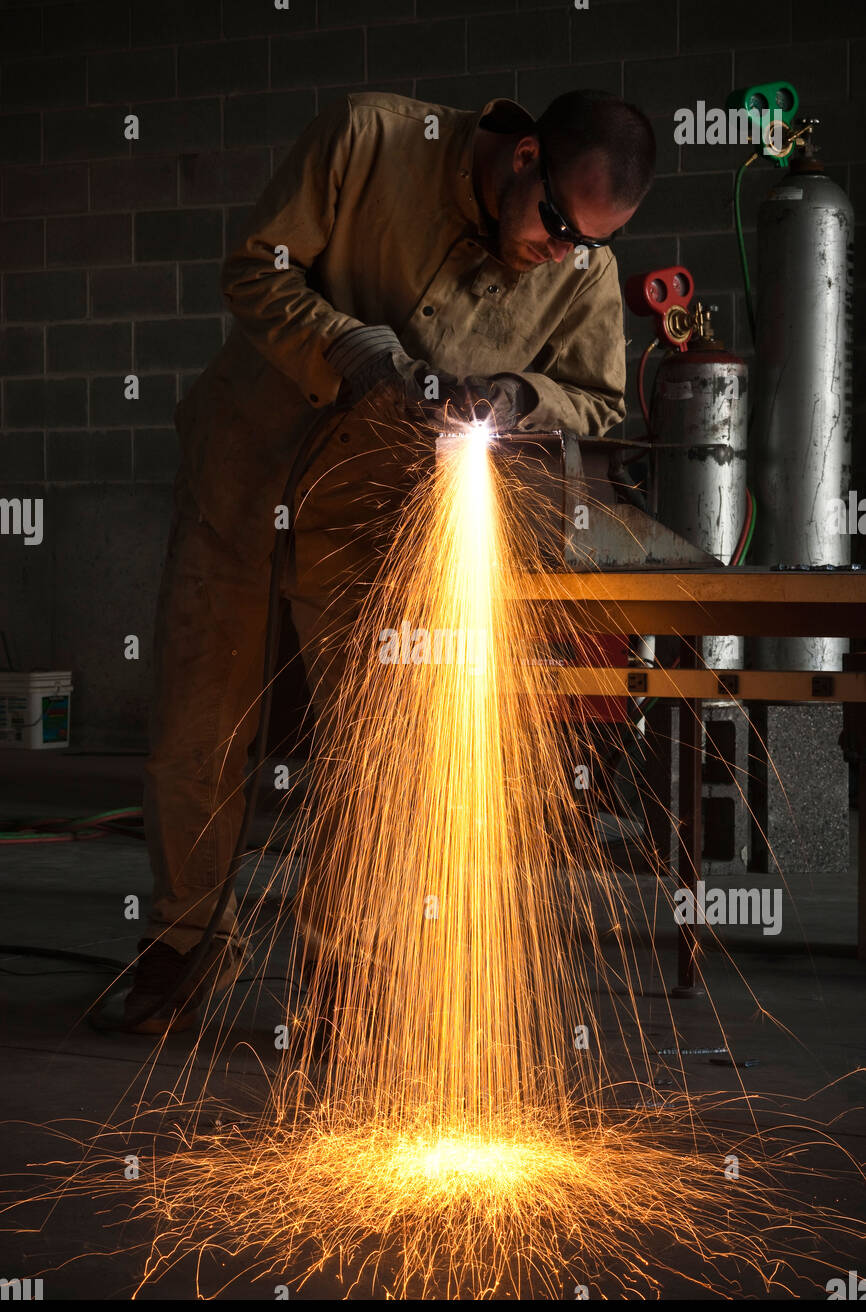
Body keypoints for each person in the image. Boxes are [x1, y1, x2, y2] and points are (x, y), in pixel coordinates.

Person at [119, 87, 655, 1034]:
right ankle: (184, 946)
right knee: (199, 726)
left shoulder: (582, 269)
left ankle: (343, 979)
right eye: (559, 225)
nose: (561, 252)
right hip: (243, 475)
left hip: (378, 516)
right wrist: (350, 345)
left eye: (588, 243)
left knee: (378, 752)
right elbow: (255, 270)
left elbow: (598, 400)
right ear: (524, 156)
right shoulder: (370, 140)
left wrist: (521, 395)